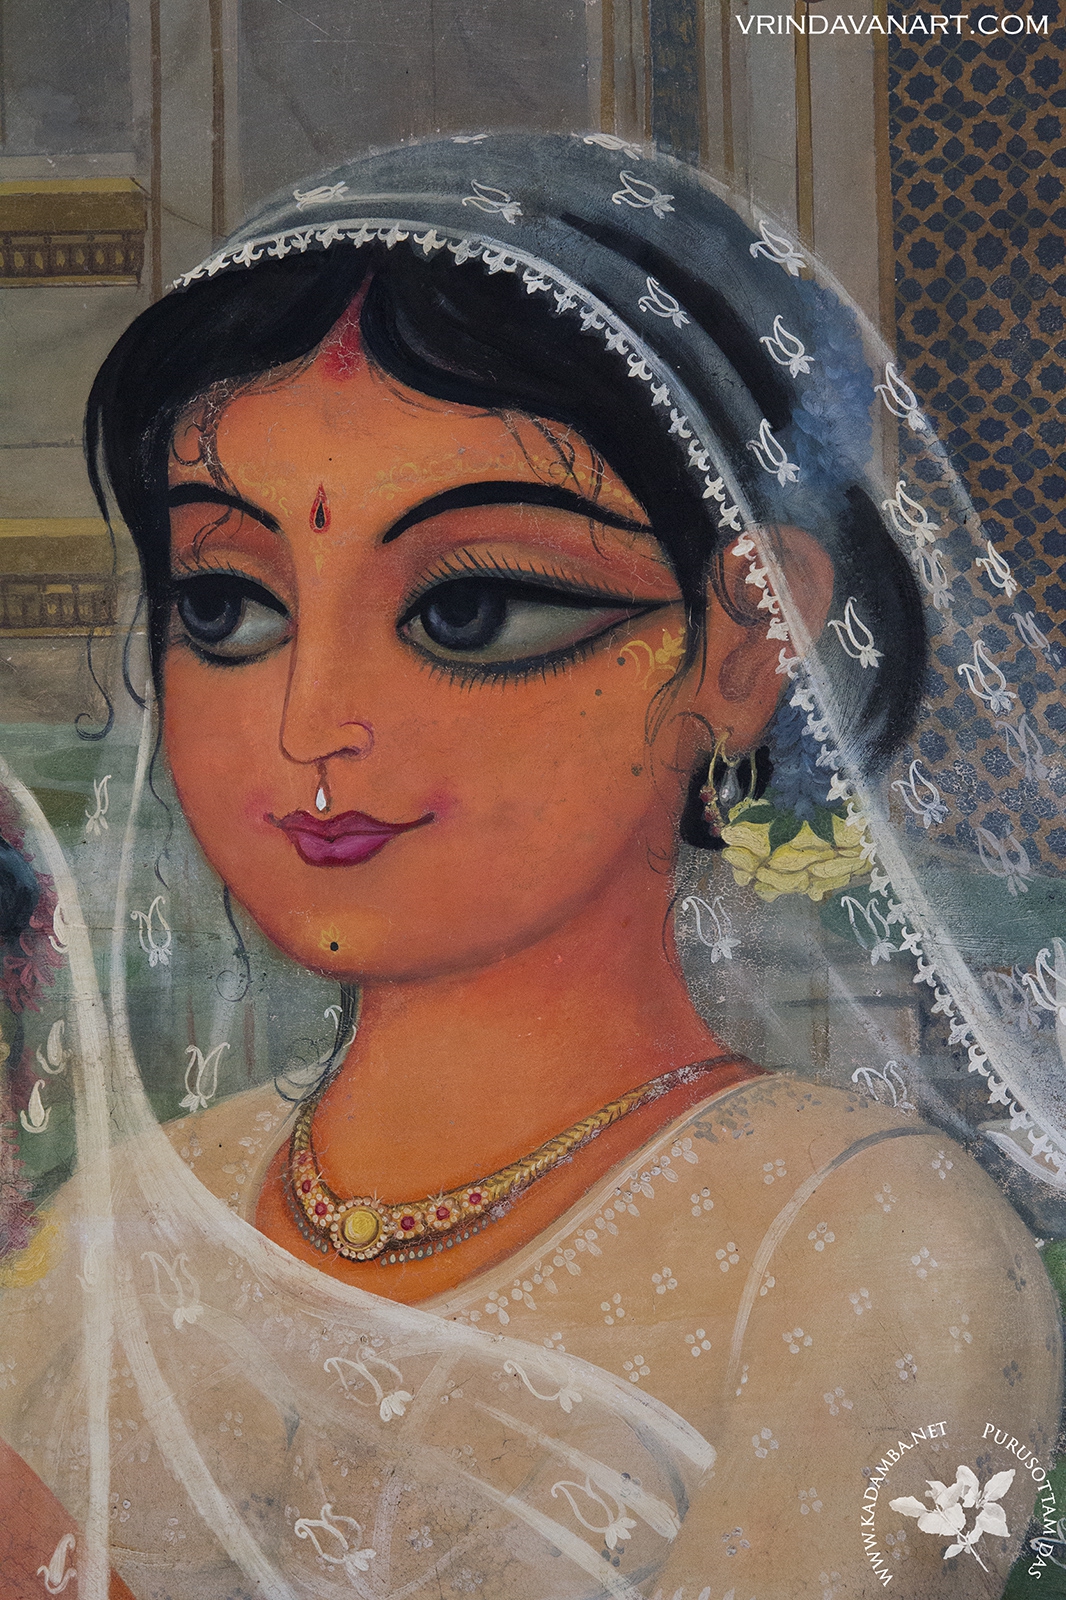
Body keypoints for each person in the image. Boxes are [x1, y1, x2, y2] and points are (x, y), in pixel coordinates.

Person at [0, 134, 1061, 1599]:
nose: (312, 724)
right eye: (230, 606)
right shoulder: (112, 1232)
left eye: (473, 610)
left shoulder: (868, 1243)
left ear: (746, 646)